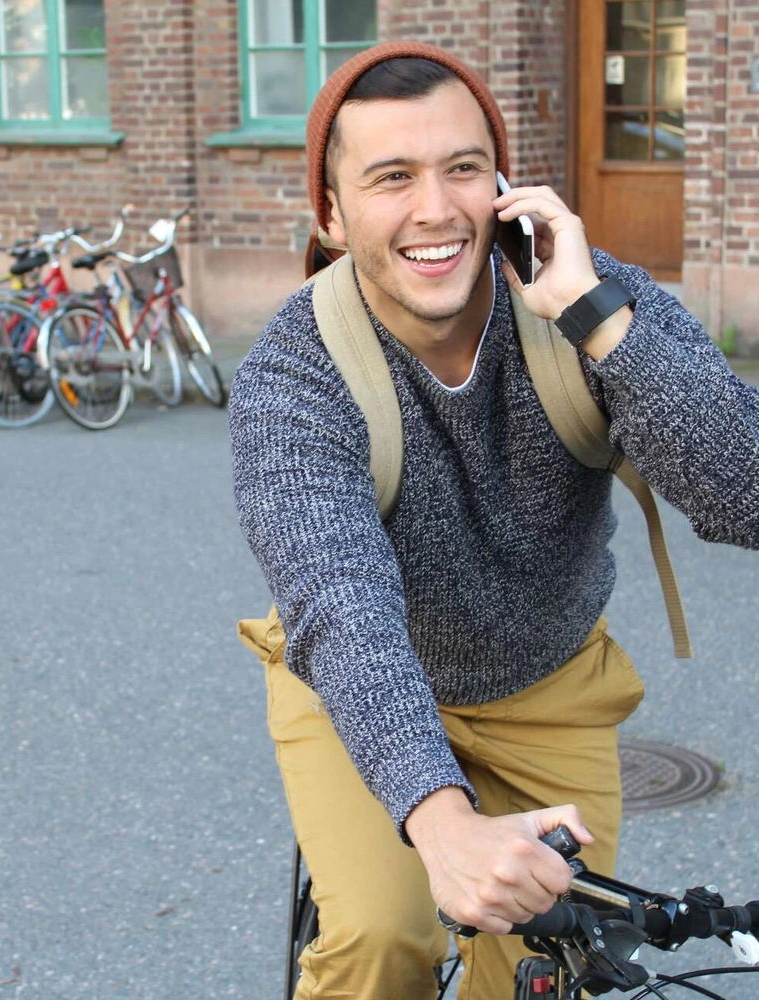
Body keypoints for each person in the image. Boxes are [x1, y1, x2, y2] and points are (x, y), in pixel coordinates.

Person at [229, 40, 759, 1000]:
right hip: (367, 694)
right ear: (333, 214)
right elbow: (337, 601)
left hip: (547, 687)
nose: (435, 209)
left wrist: (594, 314)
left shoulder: (593, 300)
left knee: (548, 961)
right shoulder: (293, 374)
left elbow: (747, 493)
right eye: (392, 177)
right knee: (381, 939)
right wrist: (441, 823)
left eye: (463, 168)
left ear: (506, 185)